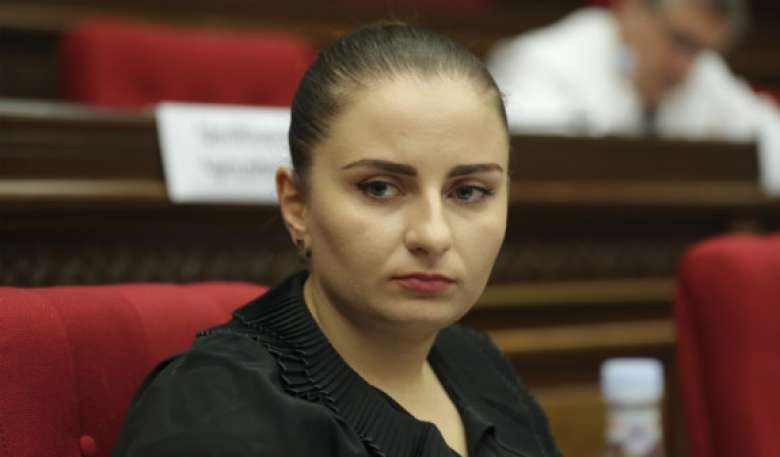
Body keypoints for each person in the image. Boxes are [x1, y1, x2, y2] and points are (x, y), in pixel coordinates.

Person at [113, 23, 563, 457]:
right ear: (297, 204)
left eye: (469, 192)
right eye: (379, 188)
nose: (432, 235)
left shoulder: (478, 364)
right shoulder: (211, 414)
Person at [486, 0, 780, 143]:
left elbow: (770, 134)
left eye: (699, 51)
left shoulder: (703, 72)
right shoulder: (544, 61)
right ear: (633, 8)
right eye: (678, 40)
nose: (683, 67)